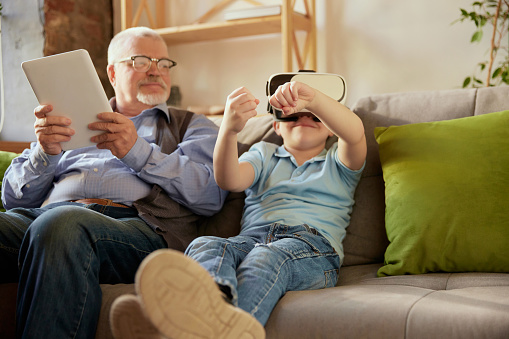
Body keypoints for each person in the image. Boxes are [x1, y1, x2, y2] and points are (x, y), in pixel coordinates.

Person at [0, 26, 227, 338]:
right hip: (46, 219)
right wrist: (45, 151)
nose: (155, 71)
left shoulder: (191, 125)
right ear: (112, 73)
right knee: (52, 222)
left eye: (164, 64)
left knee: (62, 225)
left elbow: (210, 193)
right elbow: (12, 200)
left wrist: (138, 152)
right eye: (141, 61)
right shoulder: (67, 119)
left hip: (138, 229)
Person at [110, 78, 367, 339]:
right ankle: (203, 319)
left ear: (331, 129)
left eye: (314, 116)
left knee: (265, 258)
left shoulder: (339, 161)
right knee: (204, 245)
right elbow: (228, 180)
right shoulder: (264, 153)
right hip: (250, 241)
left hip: (313, 249)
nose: (304, 117)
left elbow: (354, 131)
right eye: (294, 115)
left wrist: (313, 99)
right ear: (276, 125)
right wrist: (229, 130)